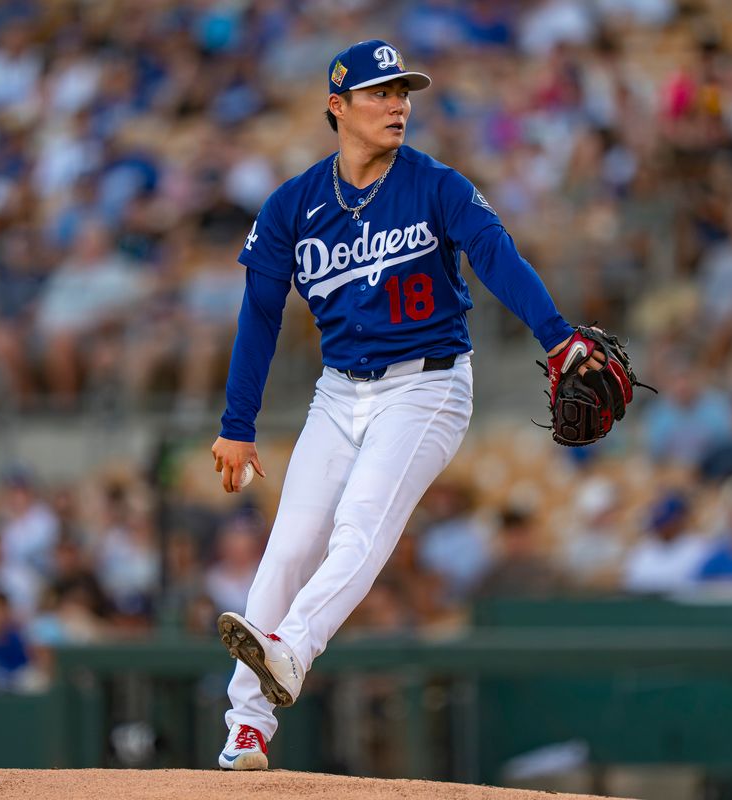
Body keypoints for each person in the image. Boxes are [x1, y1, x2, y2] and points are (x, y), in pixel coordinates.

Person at [209, 40, 605, 771]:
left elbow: (494, 252)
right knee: (290, 544)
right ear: (338, 106)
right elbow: (260, 315)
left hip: (428, 385)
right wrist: (237, 424)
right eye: (379, 93)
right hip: (339, 390)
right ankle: (246, 727)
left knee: (361, 525)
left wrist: (555, 337)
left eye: (402, 91)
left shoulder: (436, 185)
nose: (397, 104)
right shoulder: (294, 204)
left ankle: (291, 650)